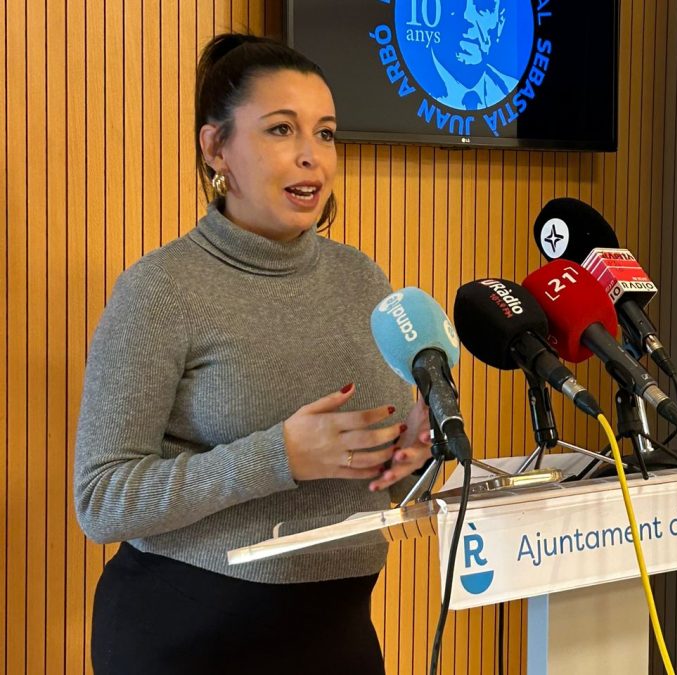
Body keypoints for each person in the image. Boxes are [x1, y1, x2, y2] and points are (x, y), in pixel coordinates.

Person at [74, 33, 433, 674]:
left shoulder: (364, 280)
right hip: (186, 637)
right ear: (217, 149)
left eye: (325, 134)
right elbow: (102, 500)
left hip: (339, 633)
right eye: (280, 131)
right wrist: (280, 456)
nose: (310, 158)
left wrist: (409, 460)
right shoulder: (161, 289)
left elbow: (373, 462)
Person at [430, 0, 520, 109]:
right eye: (455, 3)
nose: (467, 17)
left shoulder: (511, 89)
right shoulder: (420, 89)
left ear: (500, 23)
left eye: (483, 5)